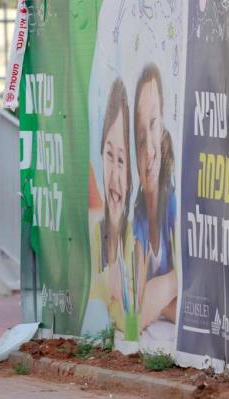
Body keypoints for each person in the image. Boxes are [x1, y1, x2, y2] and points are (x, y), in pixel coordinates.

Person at [83, 78, 135, 338]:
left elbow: (133, 322)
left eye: (123, 160)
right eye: (109, 155)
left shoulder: (137, 241)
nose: (114, 177)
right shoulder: (96, 235)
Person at [132, 63, 177, 332]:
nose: (148, 148)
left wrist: (160, 290)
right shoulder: (138, 216)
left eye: (154, 125)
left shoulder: (175, 204)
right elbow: (137, 311)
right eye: (139, 139)